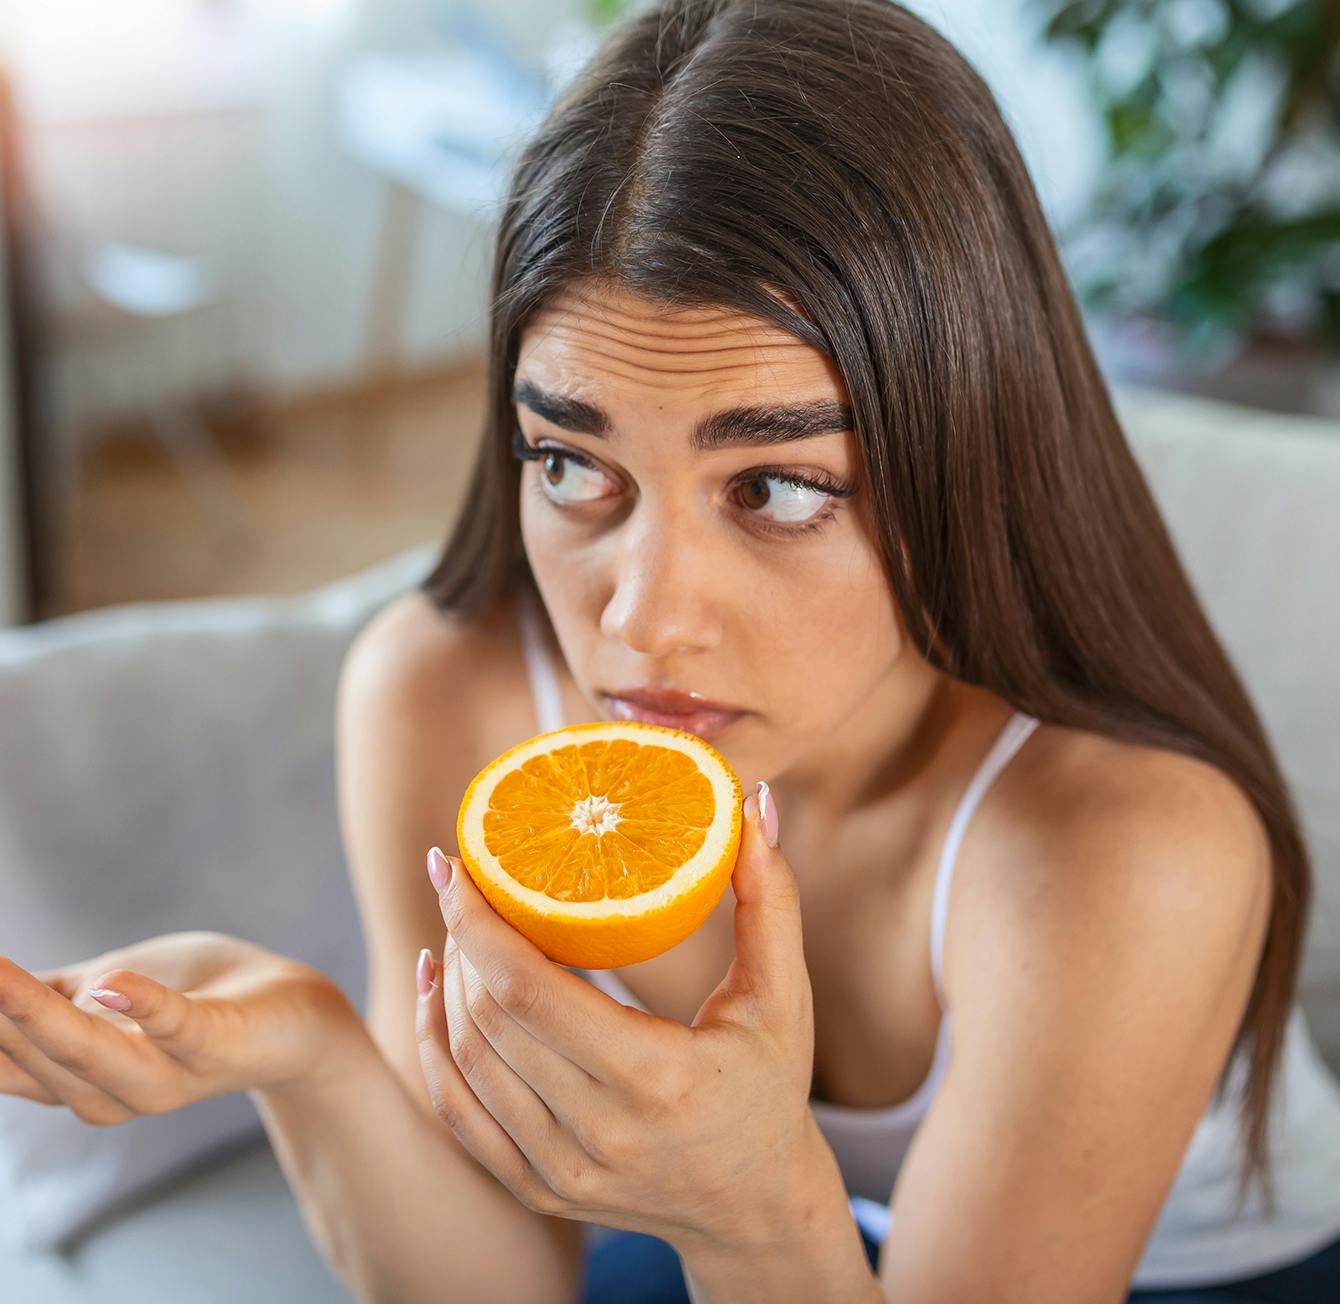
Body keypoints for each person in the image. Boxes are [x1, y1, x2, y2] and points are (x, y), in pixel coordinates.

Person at [2, 0, 1339, 1300]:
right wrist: (305, 1053)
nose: (641, 623)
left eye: (776, 488)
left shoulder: (1126, 848)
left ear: (965, 455)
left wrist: (752, 1214)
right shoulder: (438, 695)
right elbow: (496, 1284)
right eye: (572, 464)